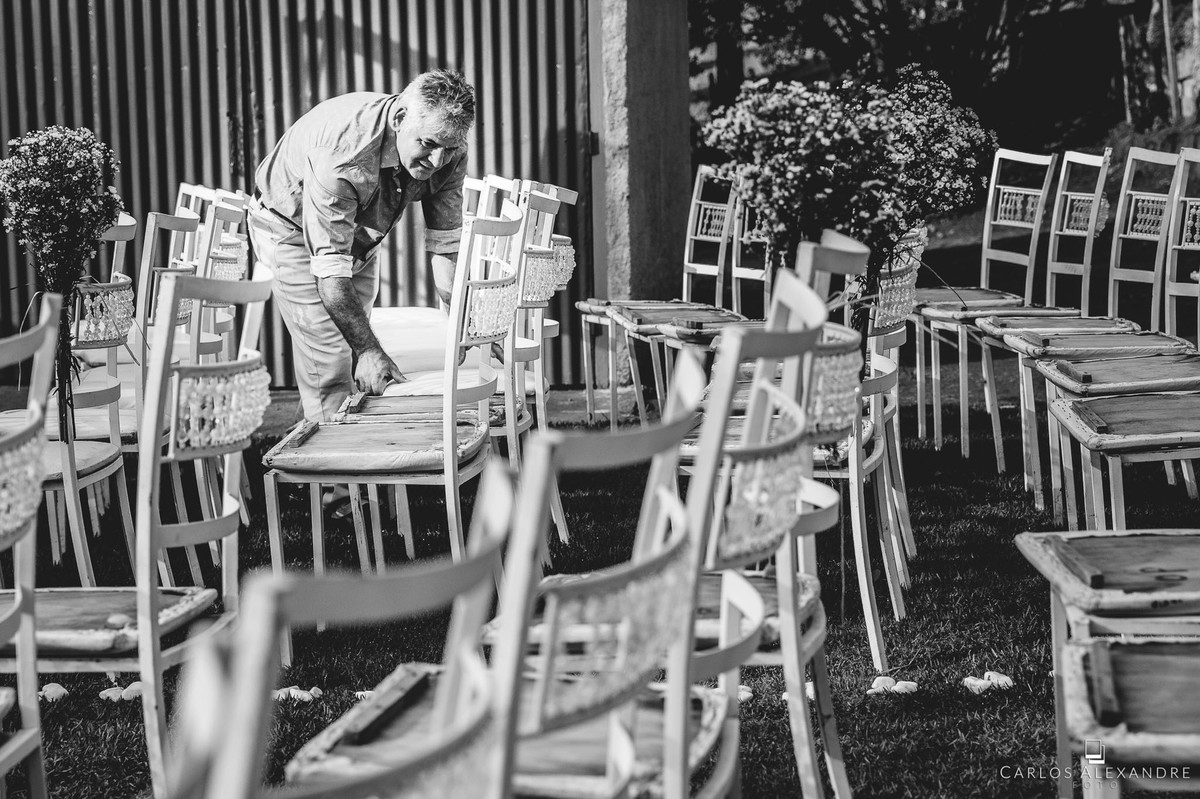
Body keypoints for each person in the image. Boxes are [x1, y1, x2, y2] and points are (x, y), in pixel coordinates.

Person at [247, 68, 476, 424]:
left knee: (358, 355)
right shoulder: (343, 154)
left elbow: (445, 244)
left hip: (362, 232)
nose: (436, 162)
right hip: (289, 229)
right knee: (330, 362)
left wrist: (461, 319)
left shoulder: (449, 147)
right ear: (400, 118)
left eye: (448, 150)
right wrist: (368, 348)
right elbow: (330, 272)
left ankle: (349, 454)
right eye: (428, 145)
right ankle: (339, 473)